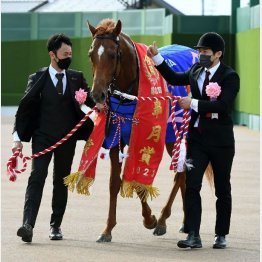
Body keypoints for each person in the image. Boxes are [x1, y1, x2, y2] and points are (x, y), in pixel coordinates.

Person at [147, 32, 240, 249]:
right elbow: (173, 78)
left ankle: (221, 234)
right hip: (197, 140)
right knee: (192, 186)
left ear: (218, 54)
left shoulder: (229, 76)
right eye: (199, 51)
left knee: (222, 189)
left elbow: (224, 105)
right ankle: (193, 235)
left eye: (205, 52)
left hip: (221, 142)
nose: (201, 55)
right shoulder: (196, 70)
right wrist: (156, 58)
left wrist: (194, 103)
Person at [13, 33, 95, 242]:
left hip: (67, 138)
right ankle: (28, 224)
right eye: (65, 53)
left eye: (70, 53)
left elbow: (92, 101)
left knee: (61, 181)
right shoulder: (37, 77)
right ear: (53, 55)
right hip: (42, 138)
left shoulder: (76, 77)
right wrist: (17, 139)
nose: (69, 56)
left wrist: (102, 103)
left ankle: (55, 225)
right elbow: (24, 109)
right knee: (37, 177)